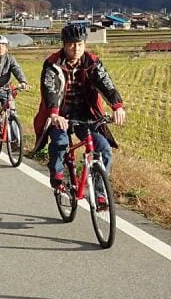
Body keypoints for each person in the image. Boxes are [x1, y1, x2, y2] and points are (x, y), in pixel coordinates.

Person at [32, 23, 126, 207]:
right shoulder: (52, 64)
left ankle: (99, 193)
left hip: (85, 114)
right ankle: (58, 175)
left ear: (85, 45)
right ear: (64, 45)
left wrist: (117, 106)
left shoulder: (92, 62)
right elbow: (49, 89)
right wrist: (54, 113)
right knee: (60, 142)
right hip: (59, 114)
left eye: (80, 44)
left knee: (103, 149)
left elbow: (106, 83)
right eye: (72, 44)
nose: (76, 49)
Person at [0, 34, 30, 137]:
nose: (0, 48)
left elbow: (17, 69)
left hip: (5, 89)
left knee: (12, 110)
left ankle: (16, 140)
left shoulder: (10, 58)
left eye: (3, 45)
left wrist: (23, 82)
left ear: (6, 47)